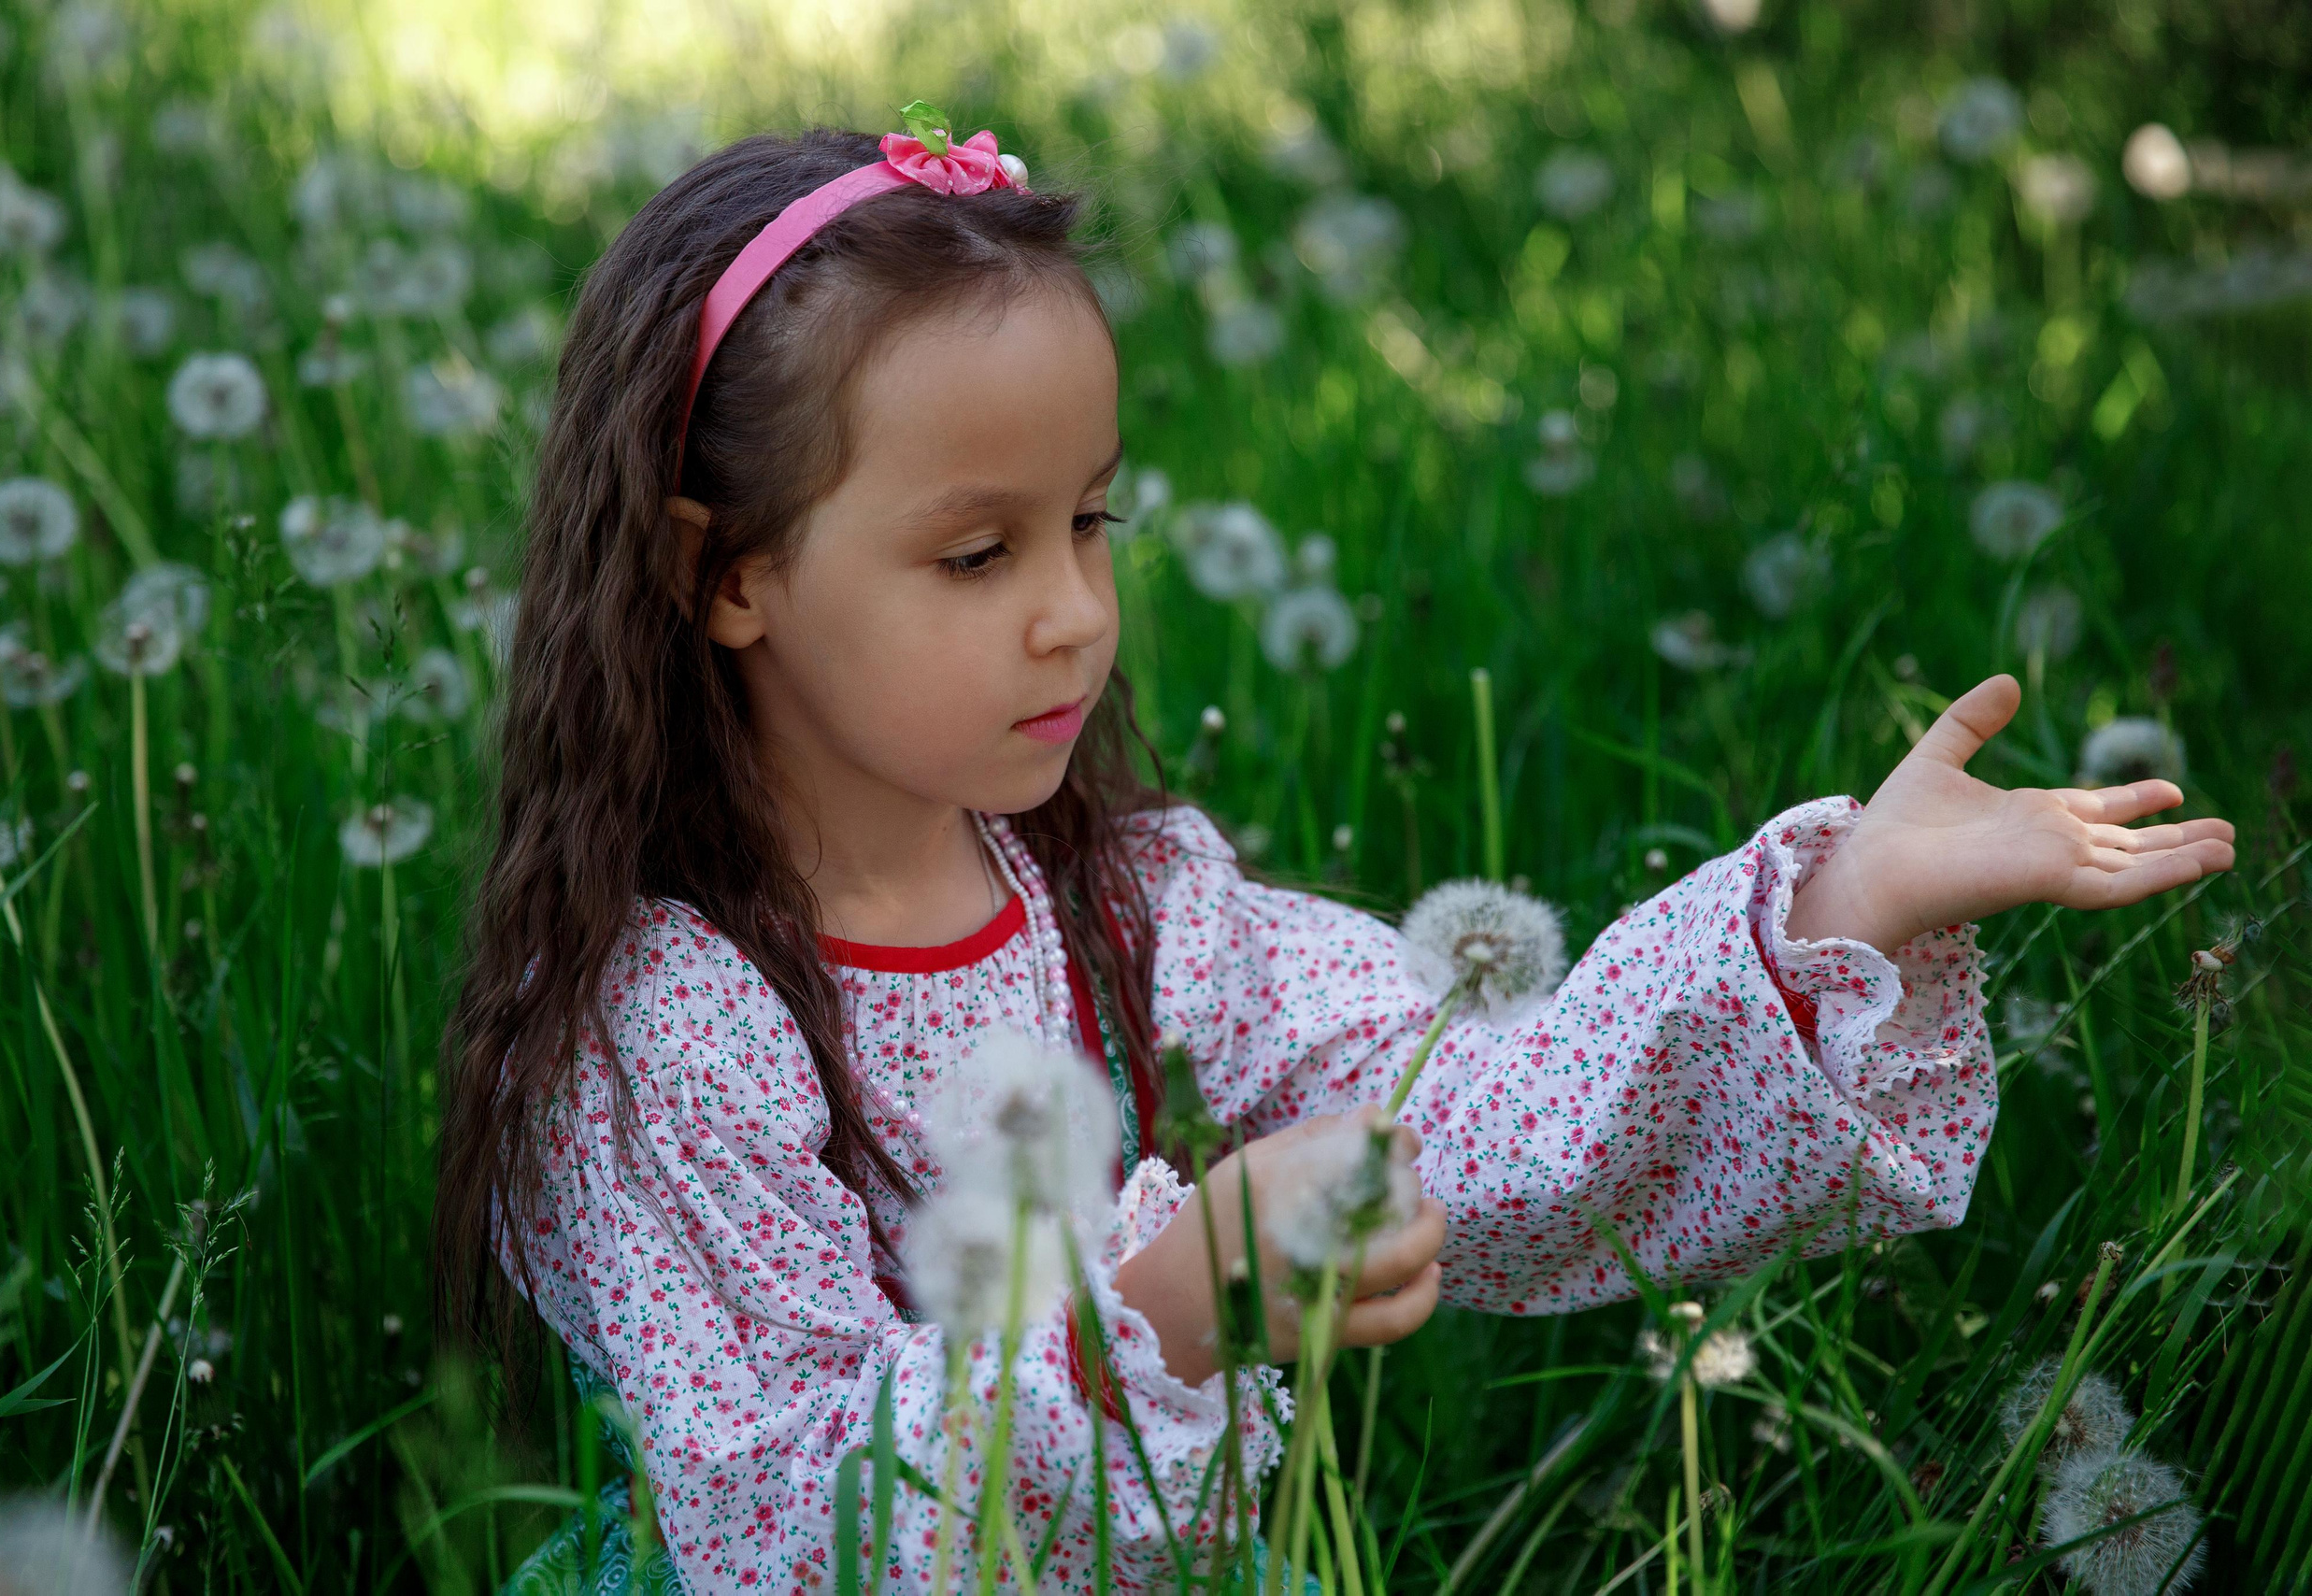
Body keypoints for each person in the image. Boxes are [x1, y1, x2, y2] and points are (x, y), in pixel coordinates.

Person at [432, 118, 2235, 1593]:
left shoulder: (1123, 905)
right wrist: (1152, 1309)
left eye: (1089, 522)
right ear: (722, 573)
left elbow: (1469, 1110)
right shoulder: (659, 1033)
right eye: (976, 556)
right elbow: (779, 1523)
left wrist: (1841, 906)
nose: (1074, 618)